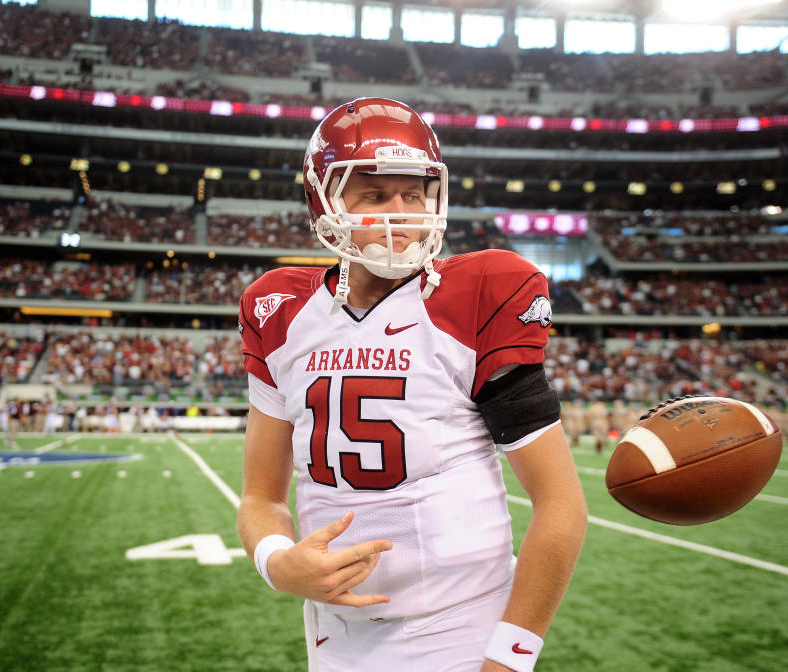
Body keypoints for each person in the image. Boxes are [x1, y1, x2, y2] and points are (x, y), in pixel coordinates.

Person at [236, 97, 587, 672]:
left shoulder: (479, 293)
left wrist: (511, 655)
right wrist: (276, 560)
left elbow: (560, 504)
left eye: (414, 193)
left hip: (460, 627)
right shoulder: (278, 309)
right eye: (375, 195)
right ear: (324, 200)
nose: (401, 213)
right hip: (331, 630)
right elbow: (261, 496)